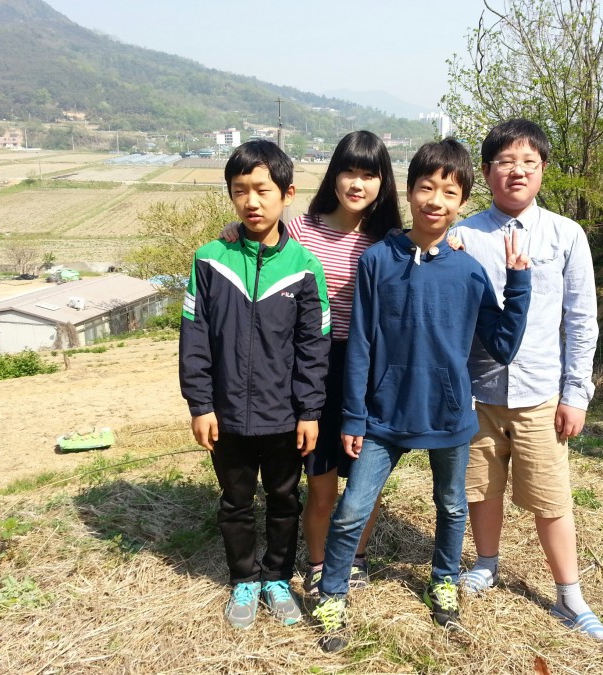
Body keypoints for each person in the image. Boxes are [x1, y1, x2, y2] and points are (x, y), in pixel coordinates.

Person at [312, 139, 532, 652]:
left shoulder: (469, 270)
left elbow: (502, 345)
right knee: (351, 510)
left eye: (449, 192)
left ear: (462, 202)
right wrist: (353, 416)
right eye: (426, 188)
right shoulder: (377, 260)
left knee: (451, 507)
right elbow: (361, 343)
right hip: (383, 415)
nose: (436, 200)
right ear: (409, 192)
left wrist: (519, 283)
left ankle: (443, 582)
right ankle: (332, 594)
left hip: (449, 414)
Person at [222, 131, 403, 597]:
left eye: (369, 174)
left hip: (369, 369)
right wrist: (231, 232)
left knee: (364, 482)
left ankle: (354, 558)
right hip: (311, 365)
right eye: (348, 171)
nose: (357, 184)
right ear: (333, 176)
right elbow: (259, 246)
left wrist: (453, 243)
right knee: (321, 483)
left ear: (383, 182)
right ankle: (320, 563)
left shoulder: (391, 241)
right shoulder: (303, 229)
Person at [452, 119, 603, 641]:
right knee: (481, 487)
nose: (516, 172)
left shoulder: (566, 234)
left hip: (541, 395)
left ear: (542, 170)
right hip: (476, 393)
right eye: (505, 162)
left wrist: (576, 393)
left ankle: (569, 594)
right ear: (487, 171)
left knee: (552, 497)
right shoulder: (463, 235)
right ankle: (486, 564)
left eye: (528, 162)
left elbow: (581, 319)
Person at [179, 140, 331, 630]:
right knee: (235, 501)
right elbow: (194, 337)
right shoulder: (209, 260)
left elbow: (314, 348)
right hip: (225, 414)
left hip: (284, 415)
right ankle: (244, 578)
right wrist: (200, 404)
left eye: (263, 190)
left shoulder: (304, 267)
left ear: (287, 194)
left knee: (285, 500)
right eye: (240, 190)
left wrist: (310, 411)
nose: (252, 201)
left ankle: (278, 577)